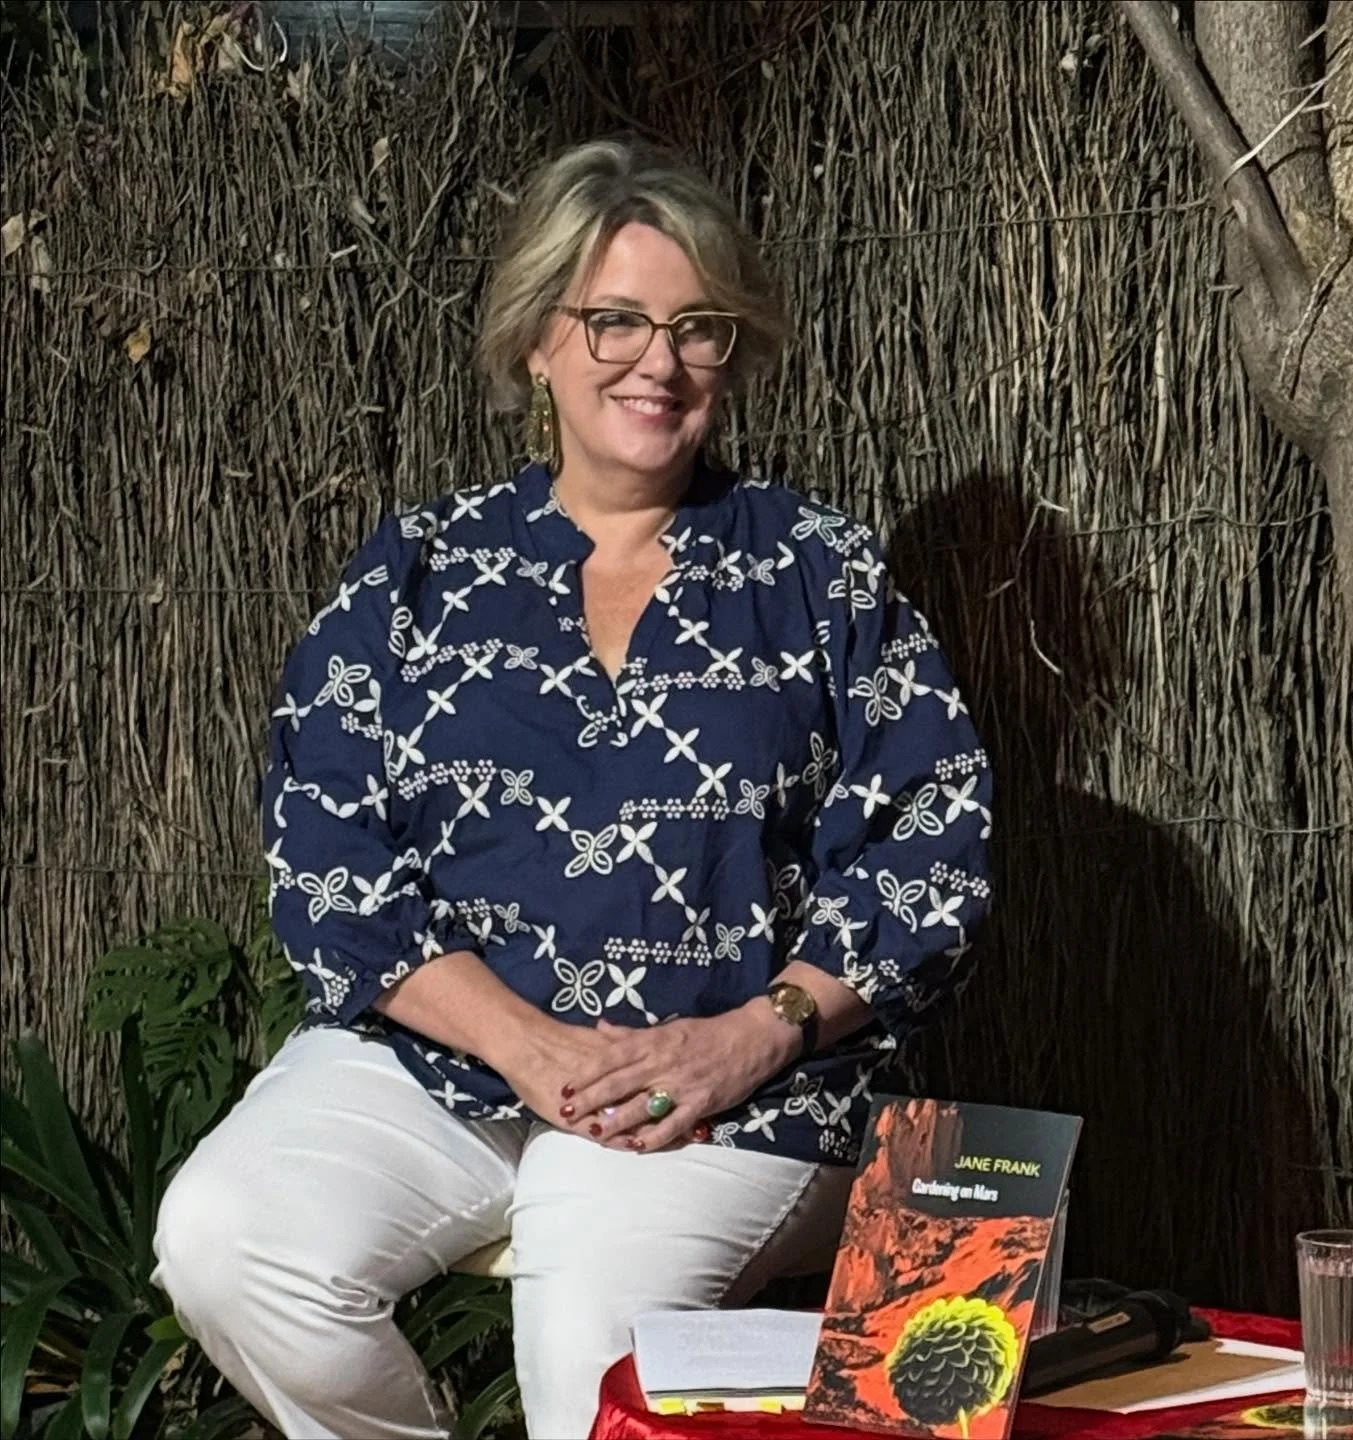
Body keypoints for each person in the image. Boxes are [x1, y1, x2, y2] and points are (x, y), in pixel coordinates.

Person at [152, 138, 993, 1440]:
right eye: (614, 320)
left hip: (729, 1085)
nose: (656, 362)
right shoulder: (419, 574)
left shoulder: (815, 576)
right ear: (539, 338)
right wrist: (524, 1045)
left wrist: (754, 1031)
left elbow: (928, 845)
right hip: (454, 1060)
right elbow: (329, 860)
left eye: (695, 327)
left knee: (584, 1317)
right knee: (227, 1239)